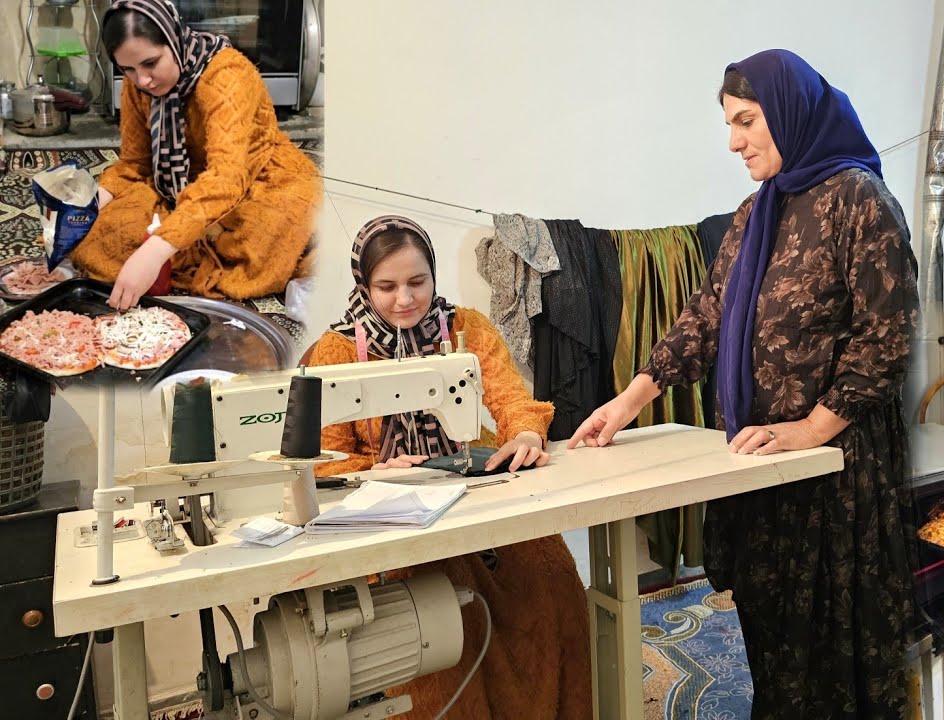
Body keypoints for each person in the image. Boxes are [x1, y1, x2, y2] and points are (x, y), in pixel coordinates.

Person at [568, 49, 920, 719]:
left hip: (835, 473)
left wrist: (813, 429)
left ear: (790, 113)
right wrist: (625, 402)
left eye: (748, 121)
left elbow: (887, 338)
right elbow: (704, 319)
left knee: (834, 648)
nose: (734, 141)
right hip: (762, 467)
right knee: (773, 638)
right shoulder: (756, 213)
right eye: (730, 124)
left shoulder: (859, 201)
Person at [312, 215, 591, 719]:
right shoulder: (335, 352)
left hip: (472, 493)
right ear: (363, 284)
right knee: (436, 622)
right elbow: (322, 459)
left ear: (434, 275)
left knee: (553, 577)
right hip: (390, 517)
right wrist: (375, 469)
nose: (405, 300)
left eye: (418, 282)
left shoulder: (464, 328)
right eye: (387, 286)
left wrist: (525, 431)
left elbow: (511, 398)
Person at [79, 0, 320, 310]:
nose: (143, 80)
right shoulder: (136, 85)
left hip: (250, 178)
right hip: (177, 182)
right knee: (97, 234)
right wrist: (87, 207)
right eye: (127, 69)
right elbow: (134, 164)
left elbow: (226, 179)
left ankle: (177, 249)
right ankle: (180, 243)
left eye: (151, 63)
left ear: (174, 40)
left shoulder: (228, 76)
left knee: (266, 235)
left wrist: (155, 249)